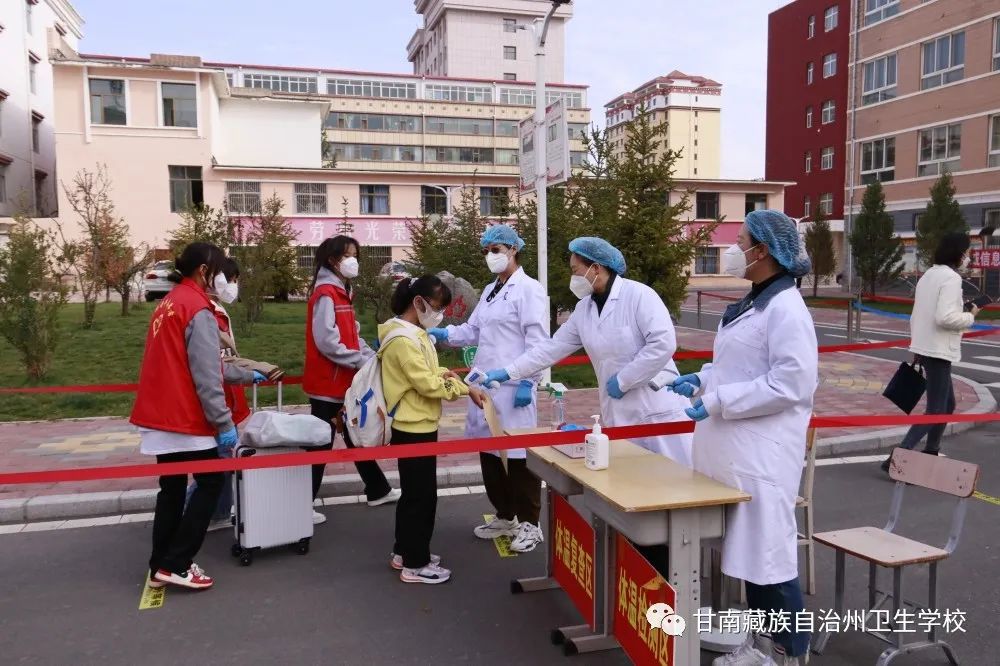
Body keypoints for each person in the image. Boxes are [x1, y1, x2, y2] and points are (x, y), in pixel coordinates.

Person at [667, 210, 817, 666]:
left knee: (769, 560)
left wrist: (719, 400)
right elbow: (739, 367)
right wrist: (702, 380)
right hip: (735, 454)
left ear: (763, 251)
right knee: (751, 558)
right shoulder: (755, 303)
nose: (735, 249)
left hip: (762, 457)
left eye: (742, 241)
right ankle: (759, 648)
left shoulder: (787, 308)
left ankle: (789, 654)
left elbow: (791, 384)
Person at [481, 236, 693, 467]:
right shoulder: (584, 309)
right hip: (619, 413)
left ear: (596, 268)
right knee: (632, 479)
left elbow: (663, 344)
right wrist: (508, 372)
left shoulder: (639, 295)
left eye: (575, 270)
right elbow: (551, 348)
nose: (573, 277)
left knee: (674, 477)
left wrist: (624, 380)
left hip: (658, 410)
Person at [428, 224, 549, 552]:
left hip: (513, 386)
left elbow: (539, 343)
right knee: (491, 455)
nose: (491, 256)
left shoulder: (529, 290)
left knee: (518, 459)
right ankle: (505, 515)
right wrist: (445, 334)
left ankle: (530, 524)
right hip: (485, 386)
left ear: (513, 250)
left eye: (496, 250)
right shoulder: (490, 290)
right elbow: (473, 330)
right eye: (487, 251)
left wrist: (529, 381)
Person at [130, 242, 242, 591]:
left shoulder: (169, 302)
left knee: (172, 489)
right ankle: (176, 562)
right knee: (211, 483)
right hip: (184, 416)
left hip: (161, 415)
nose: (223, 278)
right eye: (219, 270)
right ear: (204, 270)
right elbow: (207, 376)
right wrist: (223, 423)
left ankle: (160, 564)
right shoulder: (197, 308)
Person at [379, 275, 487, 584]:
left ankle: (405, 552)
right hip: (413, 426)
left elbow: (430, 371)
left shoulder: (415, 334)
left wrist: (452, 378)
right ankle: (416, 564)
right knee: (421, 497)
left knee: (414, 494)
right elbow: (426, 383)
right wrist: (461, 389)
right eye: (436, 308)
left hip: (419, 421)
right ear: (418, 302)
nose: (438, 315)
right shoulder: (402, 340)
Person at [304, 236, 400, 525]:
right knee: (321, 442)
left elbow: (352, 335)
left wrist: (372, 357)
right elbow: (326, 341)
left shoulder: (343, 291)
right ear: (333, 260)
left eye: (355, 255)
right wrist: (359, 361)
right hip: (327, 384)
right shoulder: (326, 293)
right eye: (348, 256)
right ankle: (301, 503)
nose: (353, 261)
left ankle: (378, 489)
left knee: (353, 433)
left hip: (343, 381)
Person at [881, 232, 978, 473]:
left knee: (947, 404)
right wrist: (970, 316)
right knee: (935, 410)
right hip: (938, 350)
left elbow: (920, 315)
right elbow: (945, 317)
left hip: (927, 347)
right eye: (967, 252)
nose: (968, 257)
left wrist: (918, 346)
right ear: (958, 253)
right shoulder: (951, 279)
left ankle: (932, 451)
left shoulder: (929, 275)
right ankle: (898, 456)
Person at [185, 257, 263, 532]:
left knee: (222, 463)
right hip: (217, 401)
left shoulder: (214, 310)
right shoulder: (205, 313)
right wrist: (222, 417)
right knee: (218, 465)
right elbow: (212, 366)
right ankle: (194, 514)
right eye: (232, 280)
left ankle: (217, 513)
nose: (234, 286)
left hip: (224, 397)